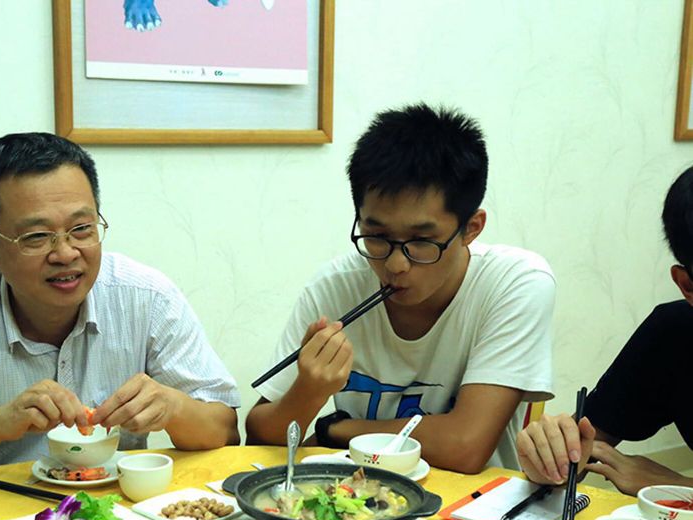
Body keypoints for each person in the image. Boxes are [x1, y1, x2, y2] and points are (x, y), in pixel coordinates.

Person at [0, 133, 240, 482]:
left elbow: (223, 429)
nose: (66, 253)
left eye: (82, 229)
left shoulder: (147, 297)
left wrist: (173, 407)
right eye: (37, 236)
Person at [245, 104, 556, 473]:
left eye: (422, 241)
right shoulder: (337, 286)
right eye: (377, 236)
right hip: (358, 503)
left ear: (471, 228)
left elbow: (464, 447)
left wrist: (335, 430)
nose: (395, 264)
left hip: (471, 511)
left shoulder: (514, 284)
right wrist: (309, 392)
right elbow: (260, 438)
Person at [518, 166, 693, 496]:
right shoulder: (674, 334)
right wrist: (548, 455)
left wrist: (679, 488)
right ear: (686, 285)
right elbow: (583, 447)